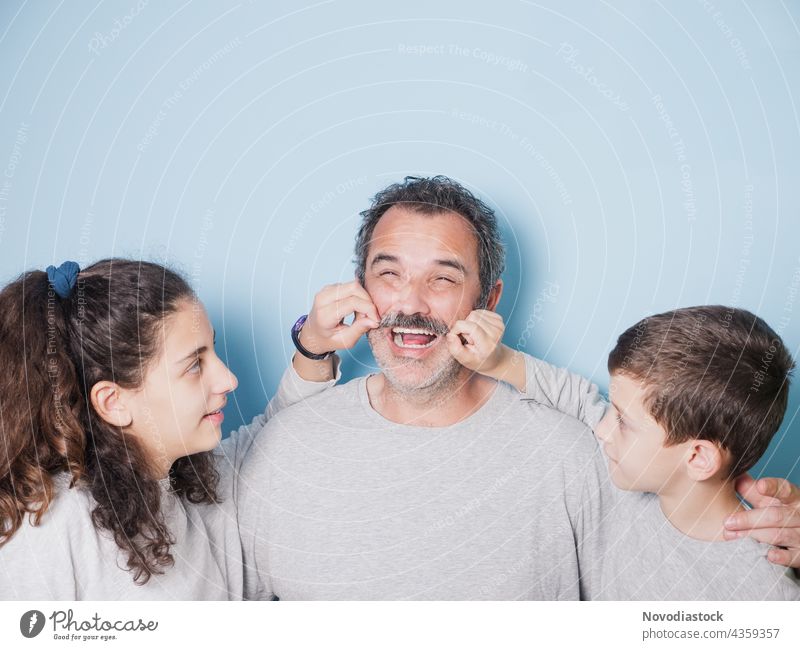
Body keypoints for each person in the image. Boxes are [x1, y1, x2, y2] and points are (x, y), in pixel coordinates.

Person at [236, 175, 800, 600]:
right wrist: (310, 355)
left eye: (442, 278)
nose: (410, 304)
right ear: (360, 288)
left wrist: (787, 545)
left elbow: (699, 574)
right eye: (389, 274)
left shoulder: (581, 452)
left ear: (490, 300)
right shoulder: (286, 443)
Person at [0, 258, 346, 599]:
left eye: (214, 350)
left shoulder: (198, 493)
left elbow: (278, 431)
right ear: (114, 402)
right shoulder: (47, 527)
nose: (228, 379)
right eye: (195, 365)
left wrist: (313, 345)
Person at [480, 306, 800, 599]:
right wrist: (497, 361)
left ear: (697, 458)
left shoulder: (764, 591)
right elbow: (573, 395)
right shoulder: (632, 466)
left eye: (622, 420)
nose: (603, 430)